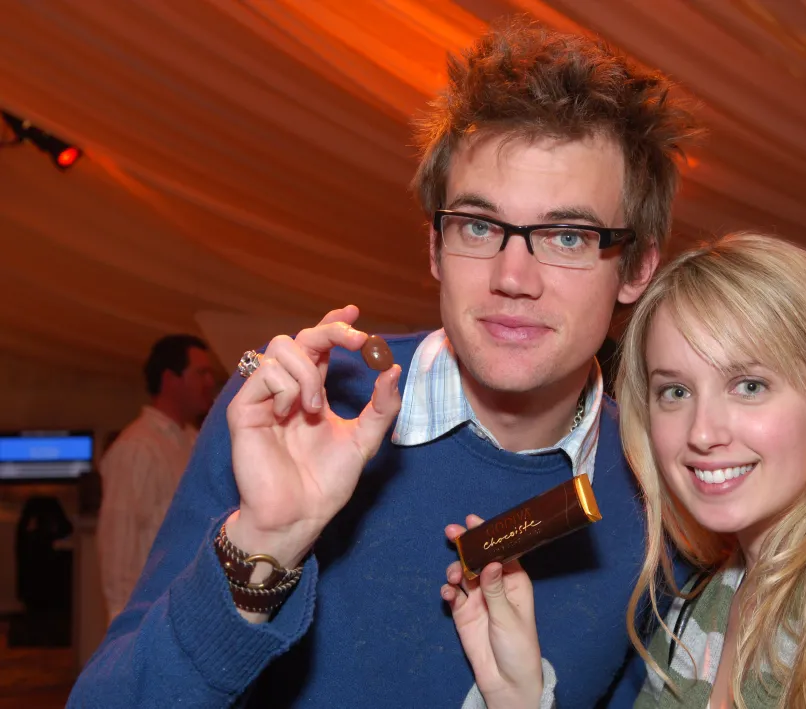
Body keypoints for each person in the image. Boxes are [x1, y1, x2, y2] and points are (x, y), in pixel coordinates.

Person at [68, 19, 703, 708]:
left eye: (569, 235)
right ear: (435, 245)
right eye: (479, 226)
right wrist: (265, 549)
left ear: (638, 265)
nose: (512, 275)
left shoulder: (666, 491)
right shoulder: (296, 408)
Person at [445, 233, 806, 708]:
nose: (701, 432)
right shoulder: (705, 608)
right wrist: (518, 695)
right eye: (674, 390)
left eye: (749, 385)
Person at [96, 333, 216, 622]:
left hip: (187, 605)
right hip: (151, 614)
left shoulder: (193, 439)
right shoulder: (137, 447)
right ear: (169, 379)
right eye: (201, 373)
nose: (210, 383)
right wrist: (121, 625)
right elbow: (118, 544)